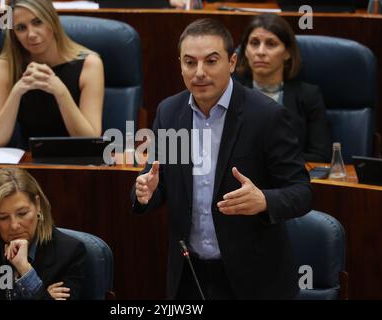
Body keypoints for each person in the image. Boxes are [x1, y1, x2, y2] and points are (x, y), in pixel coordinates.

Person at [132, 18, 312, 299]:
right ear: (180, 64)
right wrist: (145, 192)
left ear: (231, 62)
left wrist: (264, 200)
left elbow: (302, 192)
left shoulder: (265, 116)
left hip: (253, 279)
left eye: (211, 61)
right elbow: (157, 182)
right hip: (189, 275)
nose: (199, 73)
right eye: (190, 62)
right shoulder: (170, 113)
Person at [0, 0, 104, 149]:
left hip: (78, 163)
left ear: (52, 21)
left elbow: (90, 141)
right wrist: (17, 91)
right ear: (14, 34)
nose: (31, 34)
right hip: (28, 162)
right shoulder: (6, 66)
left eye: (38, 22)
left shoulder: (89, 64)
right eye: (21, 28)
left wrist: (60, 91)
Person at [0, 168, 86, 300]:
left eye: (22, 213)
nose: (14, 226)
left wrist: (26, 272)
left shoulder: (69, 253)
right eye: (3, 217)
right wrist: (43, 294)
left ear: (37, 205)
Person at [236, 13, 332, 163]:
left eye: (271, 44)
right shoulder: (232, 94)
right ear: (245, 50)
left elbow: (321, 155)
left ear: (287, 52)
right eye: (254, 43)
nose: (260, 52)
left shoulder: (308, 96)